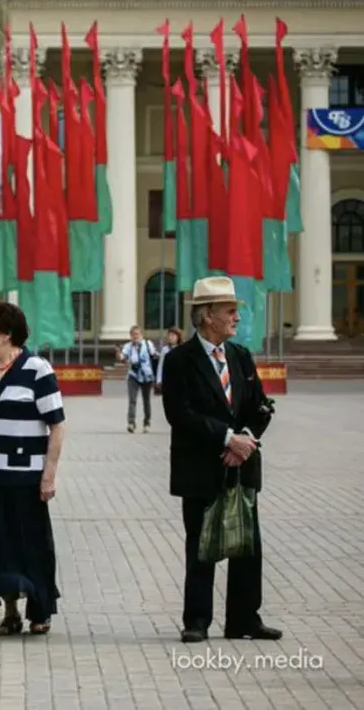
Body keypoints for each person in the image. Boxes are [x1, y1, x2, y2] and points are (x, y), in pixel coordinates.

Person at [160, 276, 280, 644]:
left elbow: (261, 407)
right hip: (201, 469)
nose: (236, 318)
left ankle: (244, 619)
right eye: (230, 311)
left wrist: (244, 440)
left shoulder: (240, 357)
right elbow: (178, 413)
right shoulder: (180, 360)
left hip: (242, 466)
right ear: (207, 315)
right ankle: (197, 620)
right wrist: (227, 439)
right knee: (202, 545)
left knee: (248, 545)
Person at [0, 302, 66, 635]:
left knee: (30, 544)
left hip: (24, 477)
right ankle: (10, 612)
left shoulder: (37, 369)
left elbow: (57, 426)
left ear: (6, 334)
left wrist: (48, 475)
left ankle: (41, 611)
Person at [117, 325, 158, 433]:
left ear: (141, 335)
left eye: (137, 334)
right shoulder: (128, 346)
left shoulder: (147, 344)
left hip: (147, 376)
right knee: (132, 400)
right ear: (130, 336)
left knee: (146, 400)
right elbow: (123, 359)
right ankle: (131, 423)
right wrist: (119, 354)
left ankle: (147, 423)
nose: (135, 336)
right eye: (133, 334)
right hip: (133, 376)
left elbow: (155, 356)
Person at [155, 327, 182, 393]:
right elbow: (161, 365)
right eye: (169, 335)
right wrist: (159, 380)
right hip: (167, 379)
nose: (170, 337)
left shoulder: (183, 348)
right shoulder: (165, 350)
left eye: (173, 335)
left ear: (178, 337)